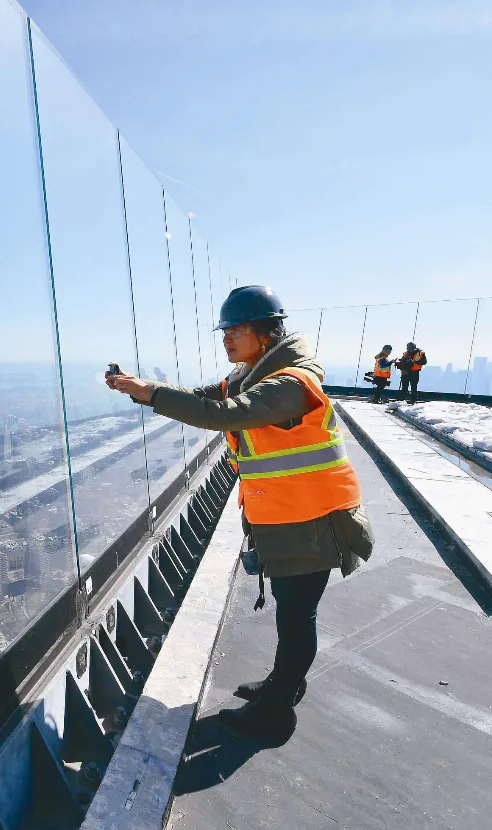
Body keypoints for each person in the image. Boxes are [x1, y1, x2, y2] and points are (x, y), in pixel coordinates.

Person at [107, 285, 373, 742]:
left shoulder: (290, 383)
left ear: (266, 333)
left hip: (314, 520)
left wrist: (151, 393)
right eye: (225, 330)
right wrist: (142, 389)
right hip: (291, 517)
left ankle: (276, 714)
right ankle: (282, 686)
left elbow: (223, 414)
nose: (227, 338)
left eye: (237, 329)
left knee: (296, 615)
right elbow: (203, 396)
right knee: (291, 614)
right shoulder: (252, 375)